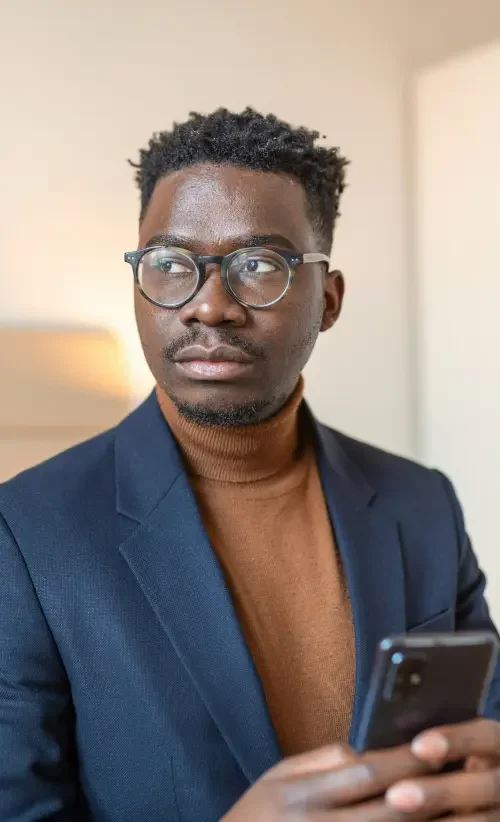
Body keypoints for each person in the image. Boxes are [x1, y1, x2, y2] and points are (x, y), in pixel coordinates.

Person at [0, 108, 499, 822]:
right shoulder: (24, 535)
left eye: (259, 265)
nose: (210, 306)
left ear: (328, 300)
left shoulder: (420, 504)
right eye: (170, 264)